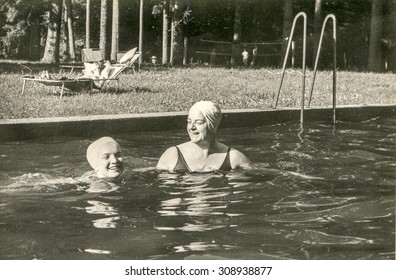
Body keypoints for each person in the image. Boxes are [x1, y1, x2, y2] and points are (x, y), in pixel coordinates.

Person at [157, 101, 252, 172]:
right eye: (189, 122)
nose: (191, 127)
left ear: (212, 125)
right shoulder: (172, 156)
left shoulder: (233, 158)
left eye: (198, 122)